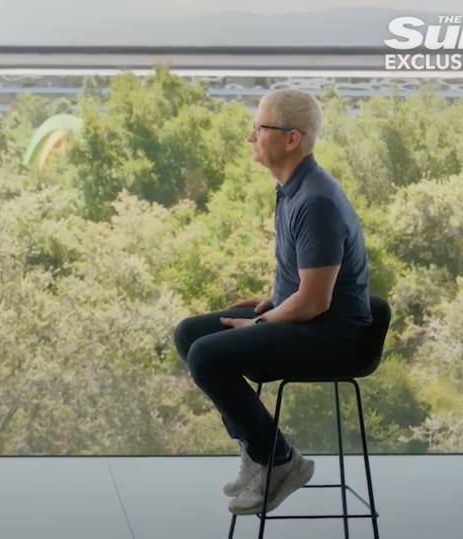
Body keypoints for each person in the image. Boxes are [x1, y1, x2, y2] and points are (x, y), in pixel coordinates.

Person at [172, 89, 373, 515]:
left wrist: (261, 326)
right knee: (190, 333)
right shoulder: (292, 189)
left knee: (207, 356)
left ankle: (280, 462)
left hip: (330, 334)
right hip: (303, 317)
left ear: (291, 139)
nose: (251, 137)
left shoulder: (316, 200)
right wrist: (271, 300)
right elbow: (306, 279)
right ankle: (259, 448)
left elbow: (316, 301)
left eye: (259, 128)